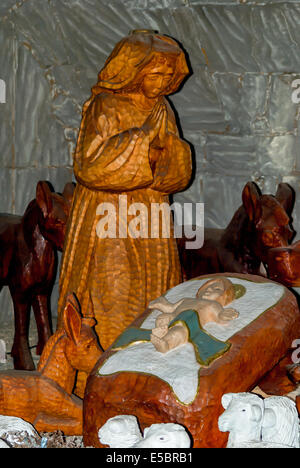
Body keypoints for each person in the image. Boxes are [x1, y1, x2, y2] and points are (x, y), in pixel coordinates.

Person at [57, 30, 192, 350]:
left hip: (152, 214)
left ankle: (144, 368)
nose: (161, 82)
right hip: (109, 217)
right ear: (135, 71)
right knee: (112, 290)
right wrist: (144, 146)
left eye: (167, 76)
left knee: (155, 290)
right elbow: (89, 165)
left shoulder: (163, 109)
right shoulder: (105, 106)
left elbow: (178, 164)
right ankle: (102, 364)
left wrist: (169, 156)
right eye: (155, 74)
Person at [150, 277, 239, 353]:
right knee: (162, 318)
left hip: (187, 322)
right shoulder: (186, 300)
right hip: (174, 316)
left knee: (179, 332)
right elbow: (171, 308)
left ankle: (166, 344)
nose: (209, 289)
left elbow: (218, 316)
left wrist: (223, 315)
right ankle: (161, 332)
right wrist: (161, 304)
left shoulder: (212, 305)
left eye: (217, 289)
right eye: (206, 288)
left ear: (224, 296)